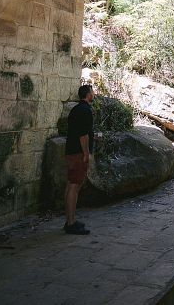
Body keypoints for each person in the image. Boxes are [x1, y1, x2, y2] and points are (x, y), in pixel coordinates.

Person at [64, 84, 95, 234]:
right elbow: (83, 135)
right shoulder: (85, 111)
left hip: (71, 151)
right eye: (92, 92)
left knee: (71, 185)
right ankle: (70, 223)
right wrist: (86, 153)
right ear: (88, 95)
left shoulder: (76, 109)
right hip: (78, 153)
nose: (94, 94)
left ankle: (71, 220)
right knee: (74, 187)